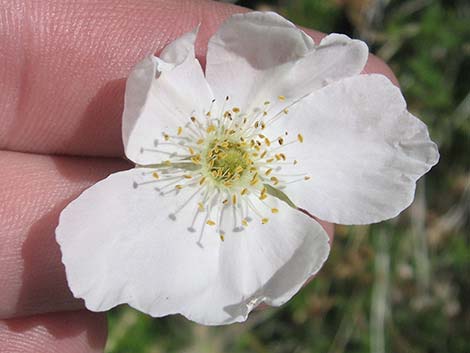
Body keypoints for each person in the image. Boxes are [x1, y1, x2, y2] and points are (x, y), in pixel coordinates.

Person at [0, 0, 397, 351]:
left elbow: (238, 282)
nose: (234, 164)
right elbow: (161, 78)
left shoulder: (260, 240)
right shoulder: (167, 87)